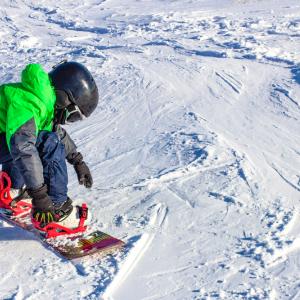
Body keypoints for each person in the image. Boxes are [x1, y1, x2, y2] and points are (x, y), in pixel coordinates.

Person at [0, 61, 99, 229]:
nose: (69, 121)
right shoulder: (29, 104)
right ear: (64, 98)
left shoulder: (40, 99)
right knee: (46, 143)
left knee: (40, 137)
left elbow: (56, 131)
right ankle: (57, 210)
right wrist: (40, 197)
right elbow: (24, 150)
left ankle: (11, 192)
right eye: (74, 116)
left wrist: (77, 161)